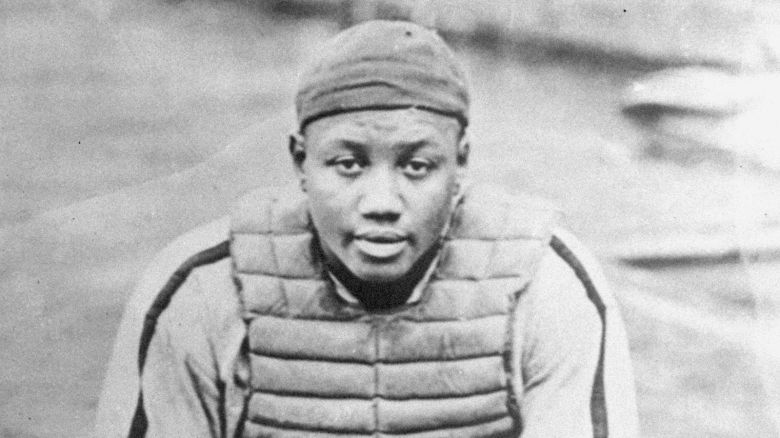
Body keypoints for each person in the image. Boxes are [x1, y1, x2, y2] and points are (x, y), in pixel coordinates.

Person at [95, 19, 638, 438]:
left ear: (461, 164)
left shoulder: (548, 287)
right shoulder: (200, 291)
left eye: (416, 166)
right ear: (300, 162)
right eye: (348, 165)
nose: (382, 203)